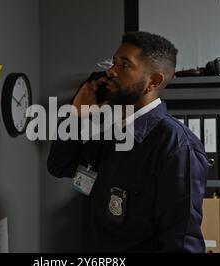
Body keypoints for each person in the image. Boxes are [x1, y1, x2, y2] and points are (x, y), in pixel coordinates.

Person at [47, 31, 208, 253]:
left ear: (154, 81)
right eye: (113, 62)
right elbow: (59, 165)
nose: (111, 71)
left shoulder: (177, 146)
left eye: (124, 65)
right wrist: (76, 115)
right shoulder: (113, 134)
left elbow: (181, 244)